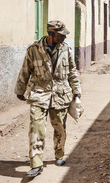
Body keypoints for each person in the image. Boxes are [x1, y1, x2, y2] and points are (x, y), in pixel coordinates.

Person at [15, 20, 82, 177]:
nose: (64, 38)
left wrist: (76, 90)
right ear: (52, 34)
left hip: (60, 94)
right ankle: (36, 164)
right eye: (61, 35)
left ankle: (59, 154)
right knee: (36, 128)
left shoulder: (66, 49)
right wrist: (20, 89)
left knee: (59, 127)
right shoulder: (34, 49)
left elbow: (72, 70)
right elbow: (25, 70)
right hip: (39, 92)